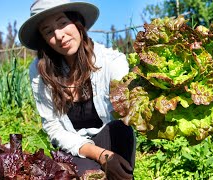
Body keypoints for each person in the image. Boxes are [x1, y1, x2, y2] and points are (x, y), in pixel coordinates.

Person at [18, 0, 135, 179]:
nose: (59, 35)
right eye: (48, 31)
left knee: (120, 128)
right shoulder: (40, 70)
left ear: (77, 22)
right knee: (80, 174)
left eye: (63, 23)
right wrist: (99, 155)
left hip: (111, 138)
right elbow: (53, 127)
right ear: (44, 40)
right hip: (75, 147)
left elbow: (127, 110)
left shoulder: (112, 62)